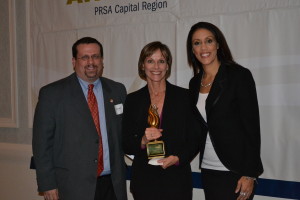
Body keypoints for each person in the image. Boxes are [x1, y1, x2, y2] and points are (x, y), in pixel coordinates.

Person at [32, 37, 127, 200]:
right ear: (74, 61)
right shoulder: (52, 94)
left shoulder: (117, 91)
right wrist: (47, 183)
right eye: (85, 57)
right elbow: (42, 144)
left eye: (96, 56)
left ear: (102, 60)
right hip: (72, 187)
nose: (91, 62)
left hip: (112, 185)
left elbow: (125, 132)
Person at [187, 21, 264, 200]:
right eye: (197, 43)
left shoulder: (239, 76)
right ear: (192, 49)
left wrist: (250, 173)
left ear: (218, 44)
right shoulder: (194, 83)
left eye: (209, 41)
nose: (203, 47)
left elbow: (252, 127)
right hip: (208, 169)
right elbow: (196, 128)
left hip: (236, 171)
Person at [122, 41, 200, 200]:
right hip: (144, 181)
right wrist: (142, 140)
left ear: (167, 66)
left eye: (161, 61)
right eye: (150, 61)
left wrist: (178, 158)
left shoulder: (185, 97)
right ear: (142, 65)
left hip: (176, 180)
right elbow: (125, 142)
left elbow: (196, 137)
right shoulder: (132, 100)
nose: (156, 66)